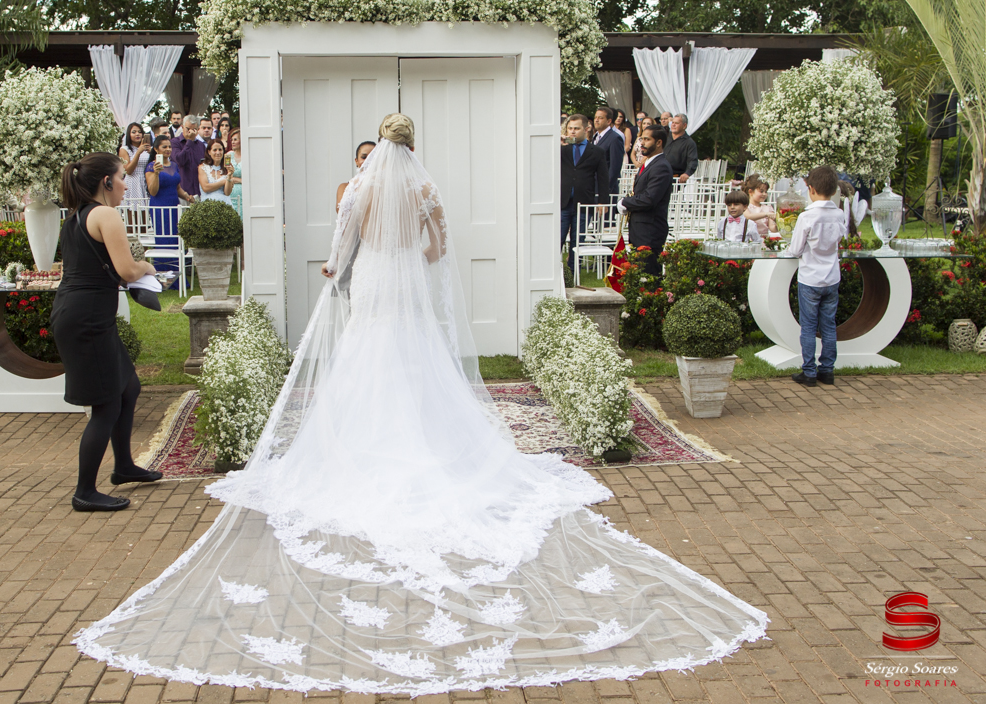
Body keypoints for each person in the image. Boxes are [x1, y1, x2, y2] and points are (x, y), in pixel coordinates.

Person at [75, 112, 767, 690]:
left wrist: (336, 266)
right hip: (405, 275)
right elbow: (439, 246)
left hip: (376, 279)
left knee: (367, 357)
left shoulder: (361, 190)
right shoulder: (425, 188)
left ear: (380, 145)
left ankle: (368, 443)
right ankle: (425, 440)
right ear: (414, 146)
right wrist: (421, 253)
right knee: (415, 357)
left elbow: (343, 243)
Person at [51, 152, 162, 512]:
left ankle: (124, 466)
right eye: (121, 178)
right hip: (87, 319)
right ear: (106, 182)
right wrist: (147, 266)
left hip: (81, 313)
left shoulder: (76, 217)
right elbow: (127, 270)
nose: (126, 185)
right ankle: (85, 491)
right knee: (106, 404)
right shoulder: (105, 214)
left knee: (128, 386)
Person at [781, 165, 845, 387]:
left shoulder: (807, 216)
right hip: (832, 277)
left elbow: (795, 249)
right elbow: (839, 241)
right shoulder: (839, 214)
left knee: (808, 327)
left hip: (810, 278)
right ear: (834, 190)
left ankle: (809, 371)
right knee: (828, 325)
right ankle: (827, 370)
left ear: (811, 189)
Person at [617, 125, 674, 276]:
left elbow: (649, 198)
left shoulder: (661, 166)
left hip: (650, 229)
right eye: (641, 139)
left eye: (647, 139)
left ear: (659, 142)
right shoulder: (649, 163)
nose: (642, 143)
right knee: (639, 272)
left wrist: (625, 202)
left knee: (649, 274)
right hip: (640, 227)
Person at [560, 114, 605, 271]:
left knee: (578, 240)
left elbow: (603, 179)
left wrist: (602, 202)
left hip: (584, 201)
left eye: (576, 128)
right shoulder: (561, 149)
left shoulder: (597, 152)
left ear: (586, 129)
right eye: (570, 128)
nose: (572, 131)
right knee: (558, 238)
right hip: (563, 201)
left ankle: (574, 272)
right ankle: (554, 272)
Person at [592, 106, 624, 198]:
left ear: (609, 121)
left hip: (606, 189)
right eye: (595, 117)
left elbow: (615, 167)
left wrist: (605, 188)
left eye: (600, 118)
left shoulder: (615, 138)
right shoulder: (595, 137)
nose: (596, 120)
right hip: (594, 186)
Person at [170, 116, 204, 198]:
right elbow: (180, 160)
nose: (190, 132)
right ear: (182, 127)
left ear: (198, 129)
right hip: (182, 191)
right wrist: (189, 141)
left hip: (199, 190)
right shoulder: (174, 142)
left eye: (194, 129)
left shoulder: (201, 145)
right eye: (188, 129)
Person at [336, 140, 374, 212]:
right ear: (356, 161)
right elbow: (341, 211)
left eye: (372, 157)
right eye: (364, 157)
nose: (368, 160)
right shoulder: (344, 187)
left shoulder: (384, 186)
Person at [118, 122, 151, 202]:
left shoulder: (148, 149)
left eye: (140, 132)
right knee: (134, 207)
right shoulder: (124, 149)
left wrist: (152, 153)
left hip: (146, 180)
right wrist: (138, 152)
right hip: (133, 182)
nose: (137, 134)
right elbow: (128, 171)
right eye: (134, 132)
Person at [197, 139, 233, 206]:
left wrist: (229, 176)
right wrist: (223, 182)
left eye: (220, 149)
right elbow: (205, 187)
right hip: (208, 205)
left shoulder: (227, 168)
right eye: (215, 150)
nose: (218, 152)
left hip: (225, 205)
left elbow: (227, 193)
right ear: (209, 152)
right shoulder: (203, 167)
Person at [665, 114, 698, 182]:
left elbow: (692, 160)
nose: (673, 125)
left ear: (684, 126)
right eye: (672, 122)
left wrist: (687, 173)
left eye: (676, 123)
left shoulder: (689, 143)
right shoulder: (665, 137)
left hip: (675, 179)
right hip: (659, 175)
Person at [224, 128, 243, 219]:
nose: (233, 142)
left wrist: (236, 179)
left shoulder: (248, 155)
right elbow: (226, 174)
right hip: (231, 192)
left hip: (244, 193)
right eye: (231, 140)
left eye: (235, 139)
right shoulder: (228, 156)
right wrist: (240, 180)